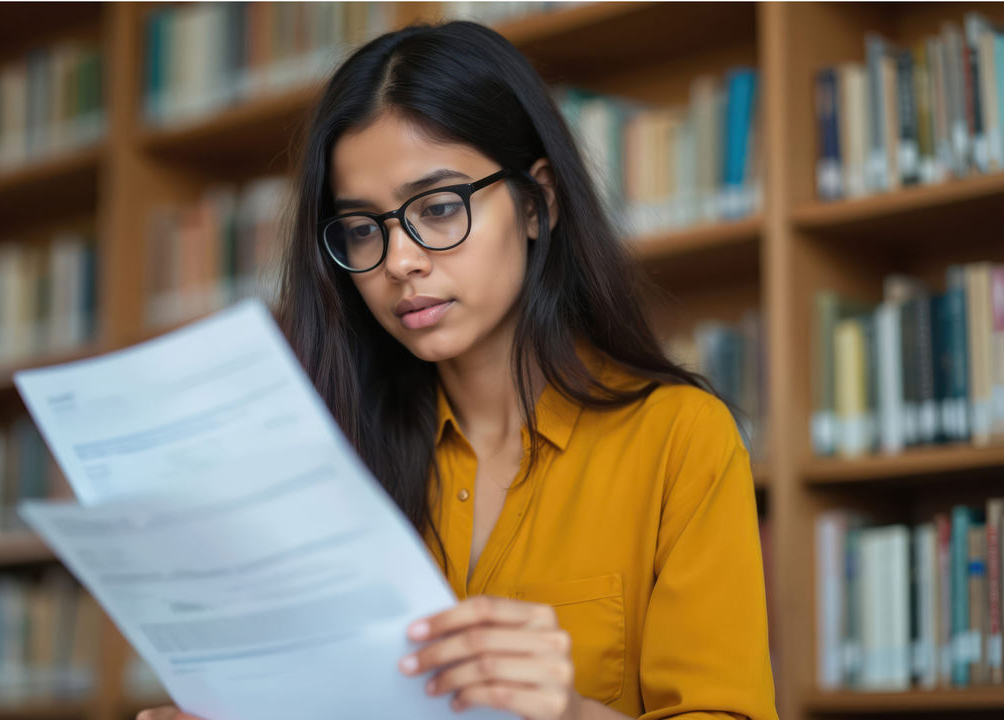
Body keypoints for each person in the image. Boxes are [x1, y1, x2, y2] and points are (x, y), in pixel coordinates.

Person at [140, 19, 776, 720]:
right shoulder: (327, 464)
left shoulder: (679, 438)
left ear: (537, 203)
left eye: (440, 208)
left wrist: (571, 712)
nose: (399, 261)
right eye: (362, 229)